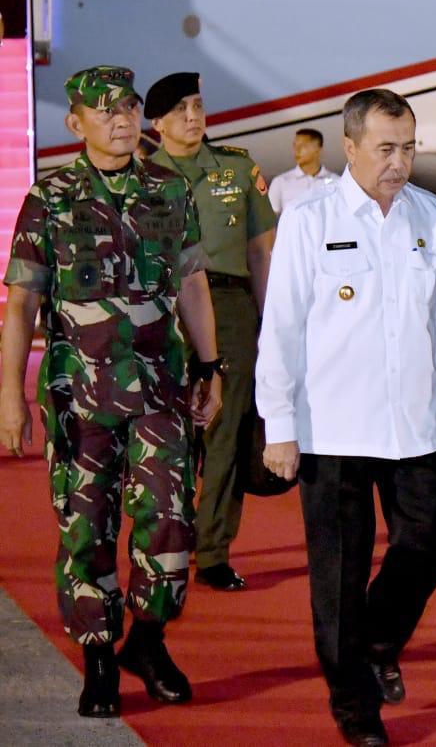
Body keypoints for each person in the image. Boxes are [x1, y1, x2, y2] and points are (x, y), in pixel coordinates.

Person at [257, 88, 436, 747]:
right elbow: (283, 327)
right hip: (333, 431)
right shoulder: (309, 218)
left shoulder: (430, 216)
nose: (399, 162)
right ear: (350, 147)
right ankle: (356, 708)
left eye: (408, 147)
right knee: (339, 578)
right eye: (386, 148)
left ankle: (376, 643)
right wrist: (280, 425)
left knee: (433, 542)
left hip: (418, 425)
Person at [0, 66, 223, 717]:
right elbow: (21, 306)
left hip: (159, 388)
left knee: (171, 520)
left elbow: (192, 285)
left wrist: (210, 367)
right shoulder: (53, 195)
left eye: (128, 107)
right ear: (77, 124)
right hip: (81, 395)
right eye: (107, 112)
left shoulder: (167, 187)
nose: (123, 119)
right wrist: (11, 396)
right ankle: (99, 657)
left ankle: (148, 642)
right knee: (86, 525)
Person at [145, 72, 277, 591]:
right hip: (162, 306)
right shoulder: (140, 176)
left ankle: (214, 549)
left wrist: (271, 325)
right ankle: (165, 541)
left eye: (198, 106)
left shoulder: (238, 170)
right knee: (167, 430)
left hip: (230, 303)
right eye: (180, 109)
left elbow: (262, 251)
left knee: (227, 428)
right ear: (156, 122)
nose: (193, 117)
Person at [268, 128, 337, 215]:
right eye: (295, 146)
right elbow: (269, 223)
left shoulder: (336, 182)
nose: (296, 150)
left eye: (303, 146)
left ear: (318, 149)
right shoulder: (281, 181)